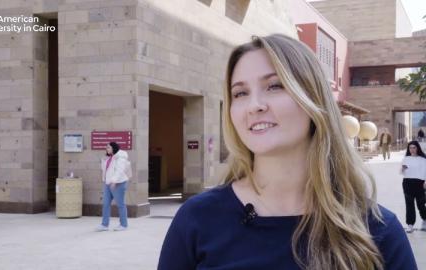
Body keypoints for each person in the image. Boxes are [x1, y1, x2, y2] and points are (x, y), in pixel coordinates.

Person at [158, 35, 417, 269]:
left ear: (313, 100)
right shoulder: (197, 220)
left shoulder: (377, 231)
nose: (254, 105)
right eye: (240, 93)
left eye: (274, 86)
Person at [97, 142, 132, 231]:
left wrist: (114, 181)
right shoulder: (110, 158)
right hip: (108, 183)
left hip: (118, 183)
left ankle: (123, 225)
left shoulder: (120, 157)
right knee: (105, 204)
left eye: (108, 147)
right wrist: (103, 162)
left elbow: (119, 170)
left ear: (114, 148)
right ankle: (104, 225)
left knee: (120, 204)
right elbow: (106, 171)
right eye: (106, 148)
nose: (106, 149)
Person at [401, 140, 426, 233]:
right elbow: (401, 173)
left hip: (420, 183)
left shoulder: (423, 159)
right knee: (409, 205)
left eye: (414, 147)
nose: (412, 149)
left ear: (417, 148)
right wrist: (402, 169)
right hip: (407, 183)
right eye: (410, 148)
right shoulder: (406, 159)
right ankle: (410, 224)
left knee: (421, 204)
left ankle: (425, 219)